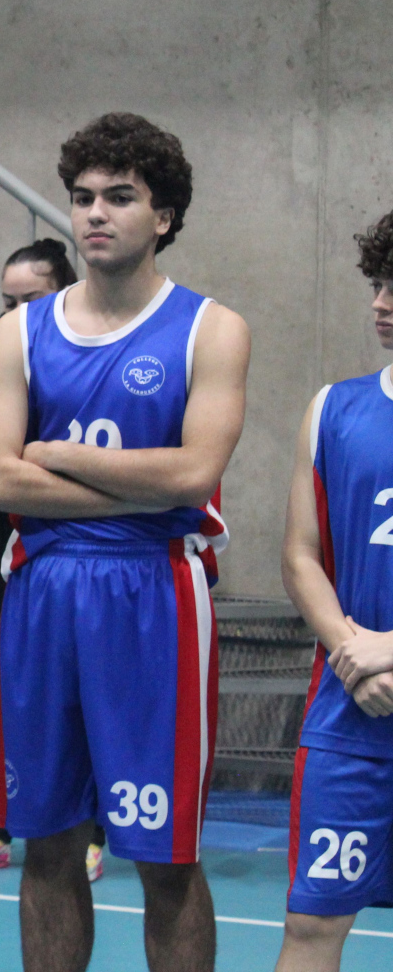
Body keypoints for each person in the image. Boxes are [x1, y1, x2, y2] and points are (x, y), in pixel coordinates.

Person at [0, 113, 248, 972]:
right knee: (47, 842)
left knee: (165, 856)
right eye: (84, 197)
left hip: (154, 594)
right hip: (44, 593)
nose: (96, 213)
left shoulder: (211, 328)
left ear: (163, 216)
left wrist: (56, 454)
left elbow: (193, 475)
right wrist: (133, 481)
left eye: (120, 197)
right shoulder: (21, 331)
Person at [0, 239, 111, 882]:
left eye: (29, 299)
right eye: (6, 301)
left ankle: (91, 829)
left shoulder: (91, 357)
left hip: (79, 542)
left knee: (90, 687)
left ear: (63, 290)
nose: (14, 312)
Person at [273, 210, 393, 971]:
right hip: (351, 715)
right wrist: (354, 653)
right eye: (378, 282)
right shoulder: (334, 408)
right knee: (312, 926)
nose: (381, 302)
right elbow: (300, 555)